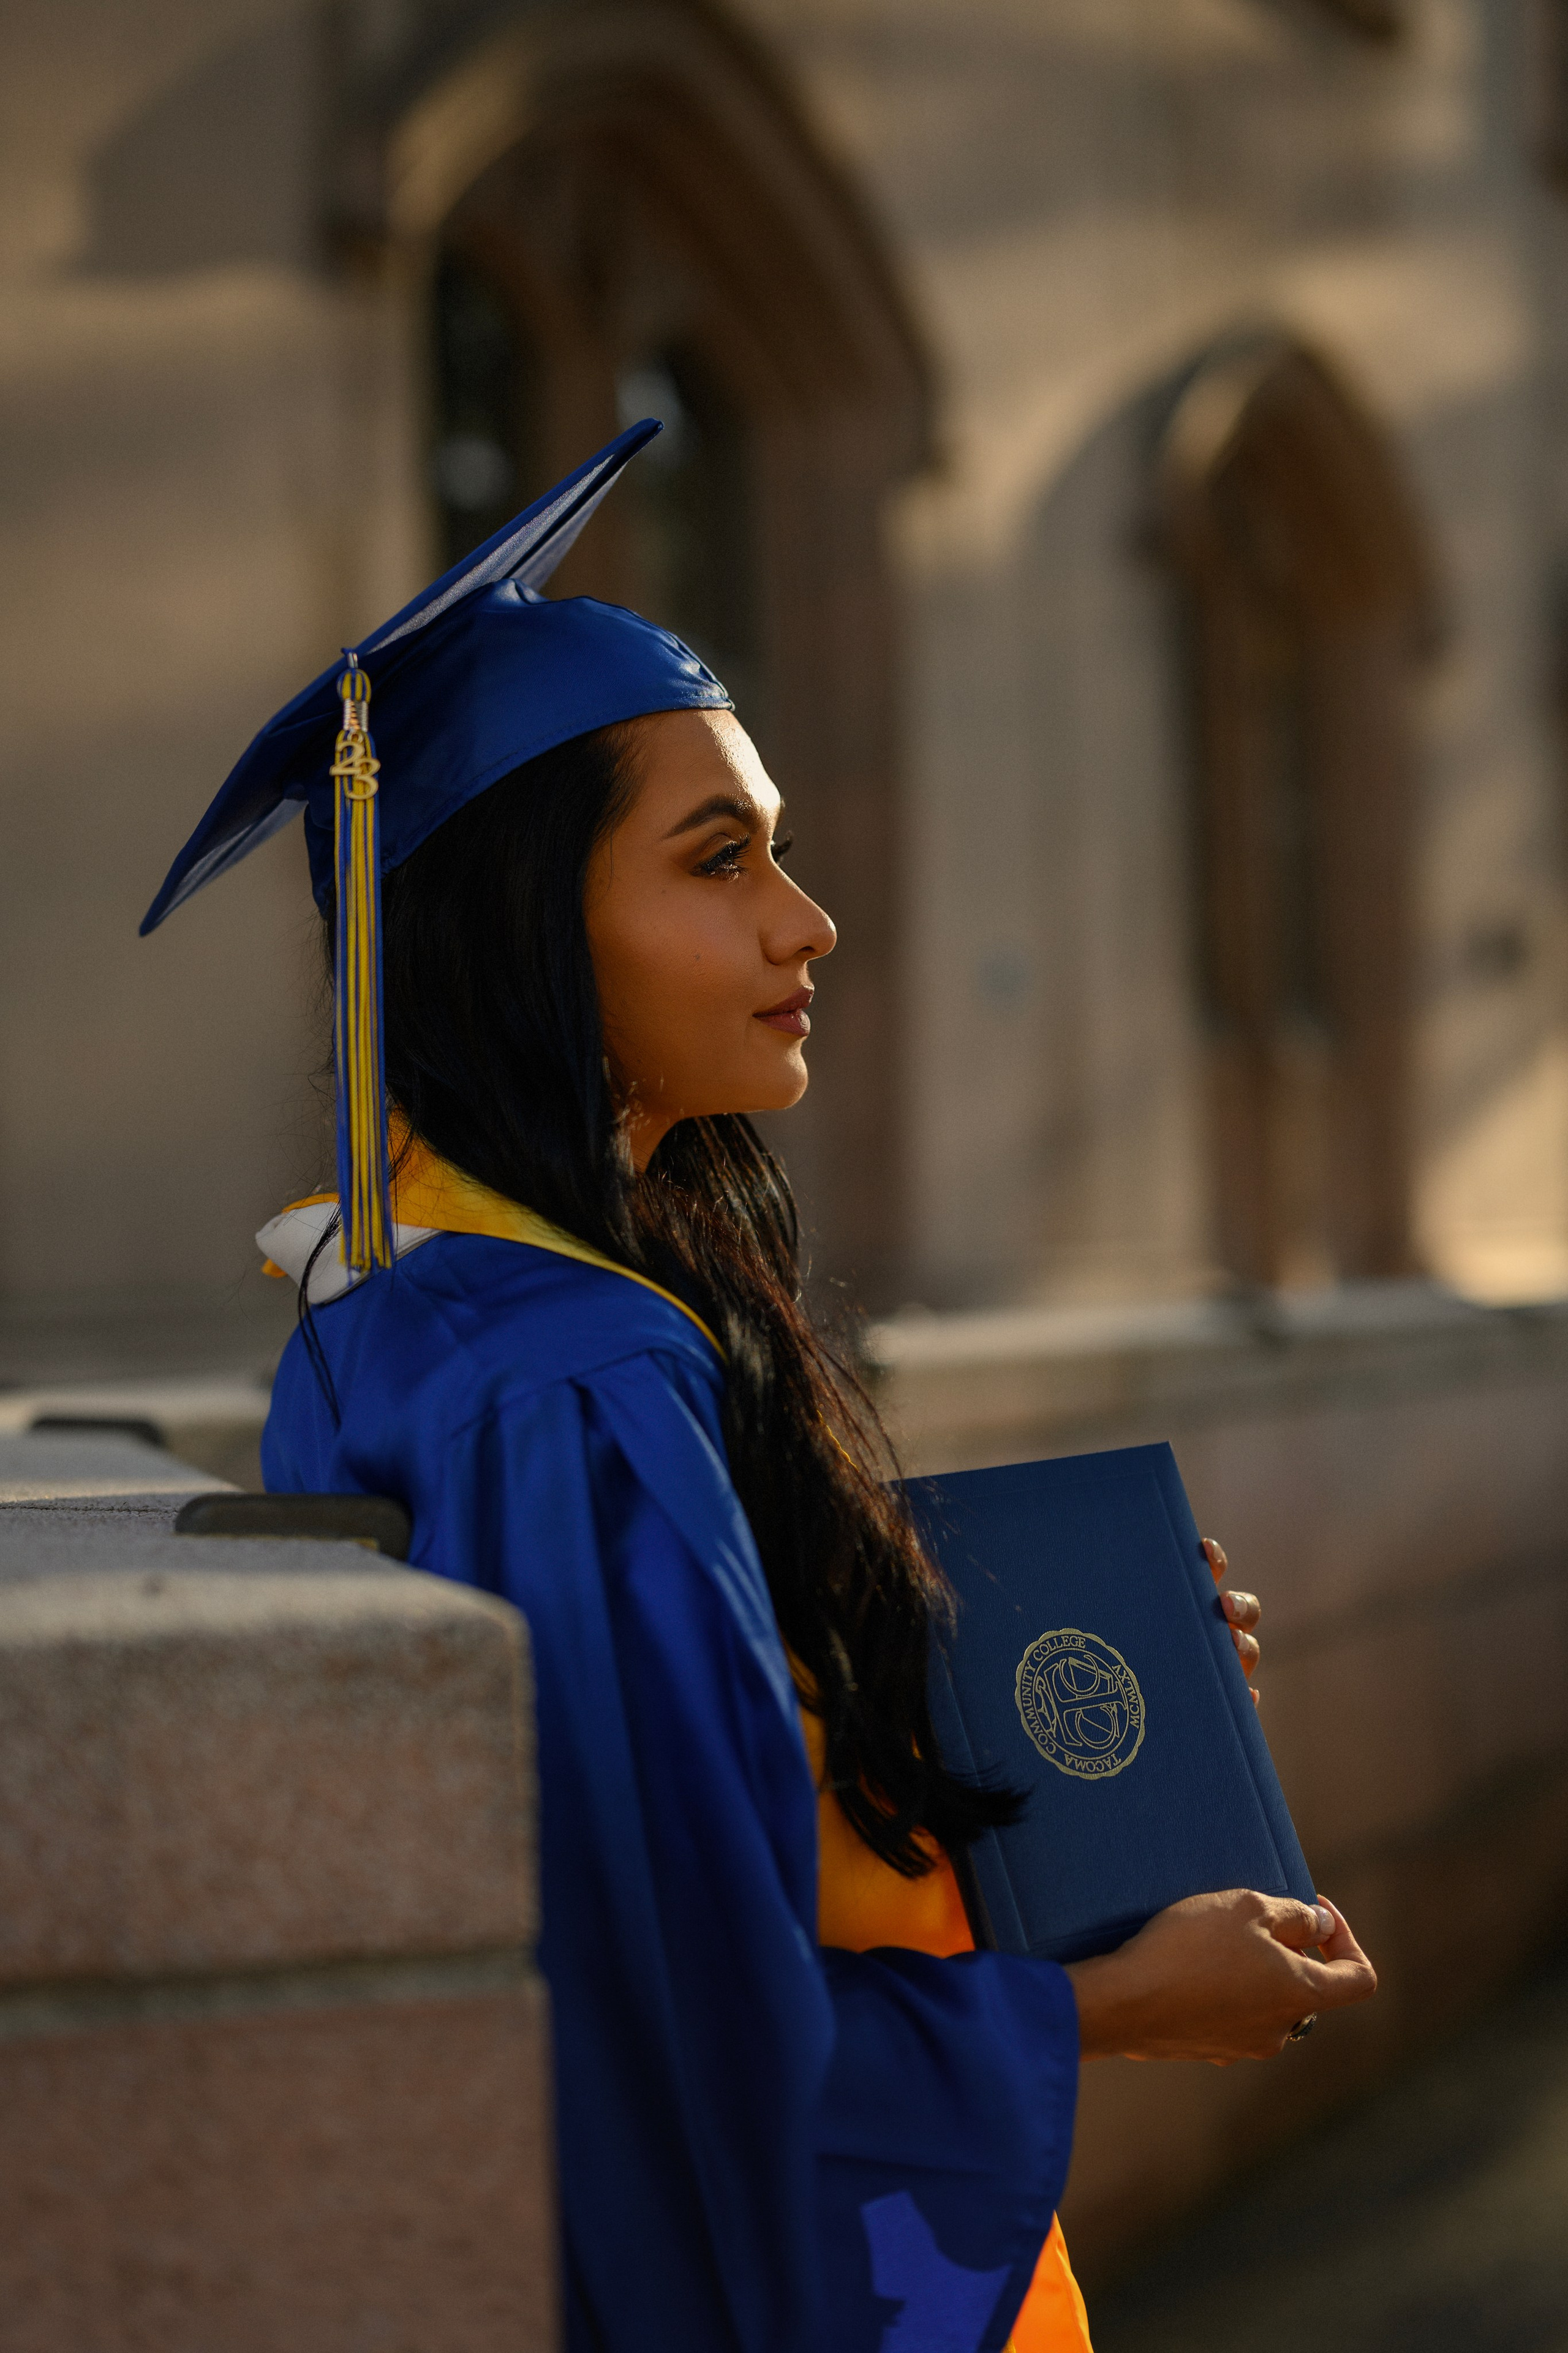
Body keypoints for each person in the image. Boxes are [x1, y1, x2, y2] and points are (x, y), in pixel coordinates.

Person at [142, 425, 1377, 2353]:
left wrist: (958, 1668)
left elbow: (677, 1810)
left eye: (780, 847)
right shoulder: (577, 1385)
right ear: (524, 927)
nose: (804, 919)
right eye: (720, 860)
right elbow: (686, 2038)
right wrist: (1116, 2002)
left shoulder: (419, 1310)